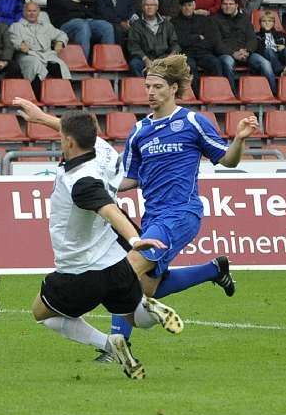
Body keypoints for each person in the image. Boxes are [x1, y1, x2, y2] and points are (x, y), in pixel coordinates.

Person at [102, 54, 259, 356]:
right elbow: (129, 179)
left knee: (127, 270)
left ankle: (114, 348)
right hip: (152, 218)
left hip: (182, 213)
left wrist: (238, 139)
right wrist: (95, 186)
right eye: (147, 86)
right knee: (150, 289)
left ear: (173, 88)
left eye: (157, 86)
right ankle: (214, 270)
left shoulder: (192, 122)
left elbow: (226, 159)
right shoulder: (138, 132)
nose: (150, 92)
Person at [14, 102, 183, 379]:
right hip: (116, 264)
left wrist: (134, 237)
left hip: (79, 271)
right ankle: (149, 308)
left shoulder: (80, 181)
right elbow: (75, 131)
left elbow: (107, 208)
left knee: (42, 313)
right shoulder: (102, 150)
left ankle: (108, 344)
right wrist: (42, 118)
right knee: (134, 317)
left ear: (68, 142)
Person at [46, 0, 115, 59]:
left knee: (106, 26)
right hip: (64, 25)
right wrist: (83, 5)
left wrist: (79, 1)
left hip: (85, 20)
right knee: (82, 25)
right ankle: (82, 61)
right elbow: (67, 6)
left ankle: (108, 60)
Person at [215, 0, 276, 93]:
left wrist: (247, 51)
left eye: (231, 4)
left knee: (265, 63)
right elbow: (217, 43)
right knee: (227, 62)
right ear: (221, 6)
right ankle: (232, 94)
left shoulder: (244, 19)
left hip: (246, 53)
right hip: (227, 54)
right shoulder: (215, 20)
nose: (228, 6)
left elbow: (252, 39)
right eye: (225, 4)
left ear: (236, 5)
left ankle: (274, 94)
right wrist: (233, 53)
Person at [8, 0, 70, 94]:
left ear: (38, 12)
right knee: (35, 64)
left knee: (59, 65)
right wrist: (20, 45)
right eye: (29, 11)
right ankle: (38, 97)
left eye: (34, 11)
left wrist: (60, 42)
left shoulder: (46, 26)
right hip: (28, 55)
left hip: (47, 54)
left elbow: (62, 34)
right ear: (24, 12)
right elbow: (13, 39)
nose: (32, 13)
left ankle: (62, 96)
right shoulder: (16, 26)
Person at [170, 0, 223, 93]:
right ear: (180, 7)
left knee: (215, 63)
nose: (187, 8)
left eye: (189, 5)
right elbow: (180, 41)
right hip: (186, 54)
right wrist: (198, 37)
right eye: (184, 5)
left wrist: (191, 40)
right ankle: (197, 96)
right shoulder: (174, 22)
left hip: (203, 52)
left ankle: (216, 93)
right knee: (191, 66)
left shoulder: (203, 20)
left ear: (194, 5)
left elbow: (211, 39)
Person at [127, 0, 179, 77]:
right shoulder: (136, 25)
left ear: (157, 7)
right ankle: (141, 88)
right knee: (134, 64)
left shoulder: (167, 24)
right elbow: (133, 46)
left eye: (152, 5)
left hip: (163, 57)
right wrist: (145, 59)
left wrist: (170, 57)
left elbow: (175, 44)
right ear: (142, 7)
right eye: (147, 5)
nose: (149, 7)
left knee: (179, 63)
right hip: (144, 57)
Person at [256, 10, 286, 78]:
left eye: (269, 21)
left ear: (273, 23)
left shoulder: (281, 34)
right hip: (268, 57)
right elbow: (257, 50)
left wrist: (284, 46)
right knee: (269, 50)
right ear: (260, 23)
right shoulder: (257, 36)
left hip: (281, 56)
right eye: (264, 21)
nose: (267, 23)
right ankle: (281, 71)